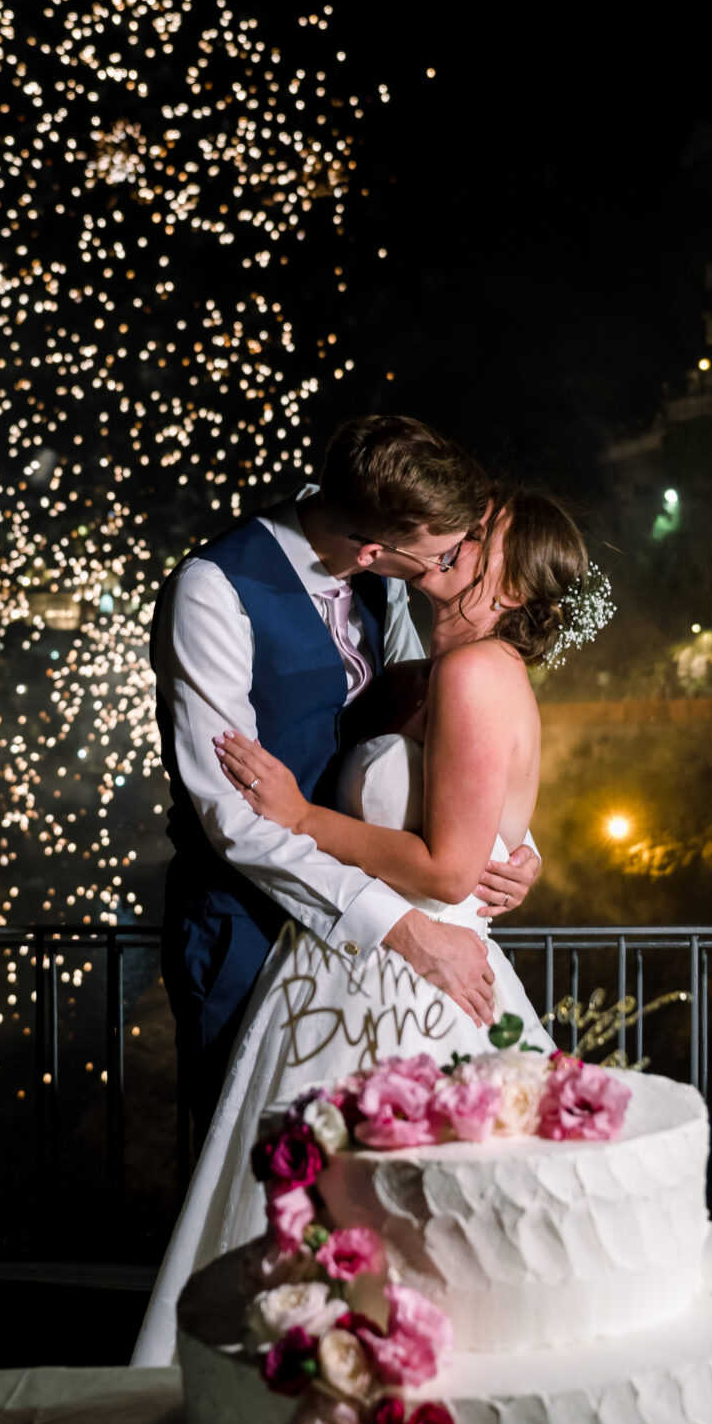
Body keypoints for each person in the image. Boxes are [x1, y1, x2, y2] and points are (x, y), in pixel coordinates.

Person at [131, 486, 608, 1366]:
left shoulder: (466, 661)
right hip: (295, 947)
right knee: (324, 1196)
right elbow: (448, 781)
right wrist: (511, 837)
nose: (461, 539)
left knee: (364, 1198)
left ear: (510, 588)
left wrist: (310, 817)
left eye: (483, 533)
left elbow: (446, 857)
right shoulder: (418, 643)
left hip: (413, 966)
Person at [150, 416, 537, 1152]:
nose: (449, 567)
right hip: (246, 923)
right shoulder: (213, 591)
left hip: (378, 924)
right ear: (372, 548)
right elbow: (233, 817)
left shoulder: (383, 583)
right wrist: (401, 928)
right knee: (259, 1166)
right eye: (442, 553)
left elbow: (424, 740)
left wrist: (511, 842)